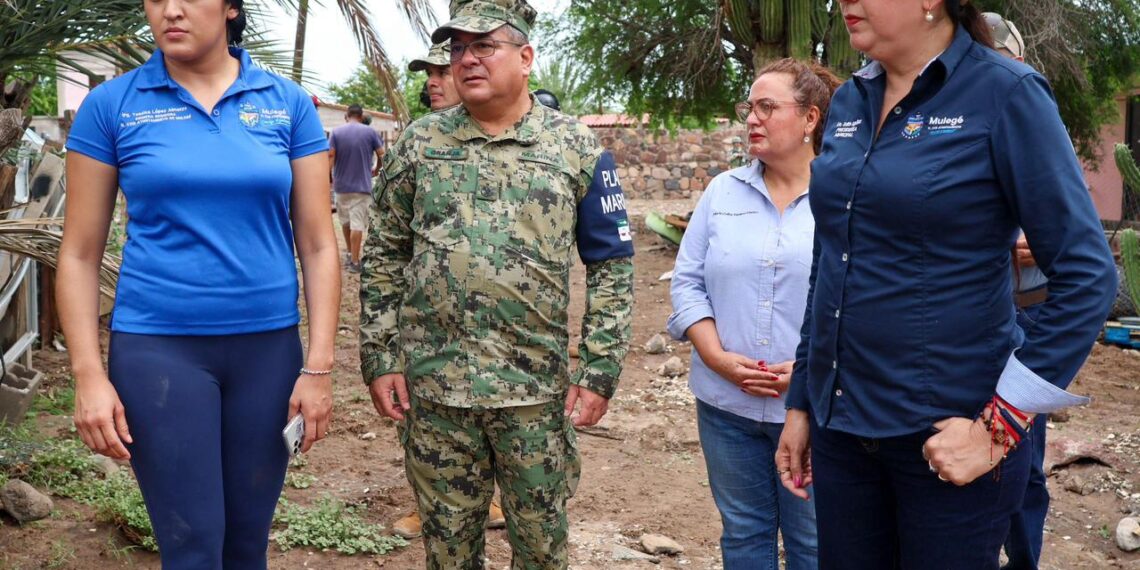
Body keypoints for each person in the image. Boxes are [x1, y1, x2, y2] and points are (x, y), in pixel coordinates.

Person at [776, 1, 1117, 569]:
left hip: (948, 437)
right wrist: (803, 404)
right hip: (843, 432)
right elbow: (830, 261)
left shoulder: (1006, 93)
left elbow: (1087, 277)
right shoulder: (850, 102)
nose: (843, 2)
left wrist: (999, 428)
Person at [57, 0, 339, 568]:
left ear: (231, 7)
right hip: (159, 355)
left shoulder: (286, 104)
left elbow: (318, 244)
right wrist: (88, 376)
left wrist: (319, 368)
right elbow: (80, 254)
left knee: (245, 546)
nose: (171, 11)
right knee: (192, 547)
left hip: (268, 354)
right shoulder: (113, 105)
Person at [359, 0, 635, 567]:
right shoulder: (418, 144)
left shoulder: (576, 148)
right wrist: (379, 356)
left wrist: (599, 370)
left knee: (540, 549)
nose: (467, 60)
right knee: (448, 552)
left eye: (484, 46)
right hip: (435, 392)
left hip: (534, 396)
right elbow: (385, 254)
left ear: (526, 57)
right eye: (458, 49)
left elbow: (611, 265)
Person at [668, 58, 838, 570]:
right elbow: (687, 281)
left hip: (811, 409)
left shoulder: (842, 196)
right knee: (744, 534)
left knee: (813, 541)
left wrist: (807, 375)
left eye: (768, 107)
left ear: (810, 119)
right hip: (726, 407)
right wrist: (716, 356)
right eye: (750, 107)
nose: (752, 119)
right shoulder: (723, 192)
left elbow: (863, 298)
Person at [388, 39, 506, 540]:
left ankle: (493, 501)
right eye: (429, 73)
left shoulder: (512, 146)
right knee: (425, 435)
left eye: (443, 71)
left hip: (504, 344)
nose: (434, 82)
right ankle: (433, 503)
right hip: (430, 343)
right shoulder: (417, 144)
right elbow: (389, 249)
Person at [981, 12, 1052, 570]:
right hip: (970, 324)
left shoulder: (1032, 119)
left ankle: (1024, 561)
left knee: (1023, 460)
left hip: (1024, 319)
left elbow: (1073, 250)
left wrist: (1034, 240)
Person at [329, 103, 384, 273]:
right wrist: (377, 168)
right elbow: (382, 153)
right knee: (357, 224)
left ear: (347, 115)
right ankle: (354, 260)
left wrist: (328, 178)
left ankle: (349, 252)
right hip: (362, 187)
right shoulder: (370, 132)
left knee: (345, 222)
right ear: (361, 116)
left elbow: (330, 156)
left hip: (341, 186)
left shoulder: (336, 133)